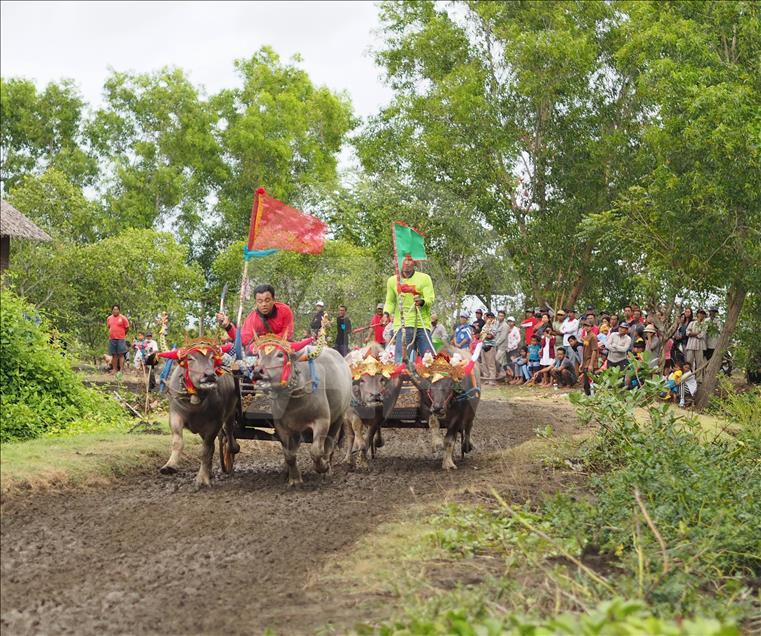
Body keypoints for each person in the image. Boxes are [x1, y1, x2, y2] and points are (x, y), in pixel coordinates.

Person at [384, 256, 435, 363]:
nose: (407, 263)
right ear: (398, 262)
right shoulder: (392, 281)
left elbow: (430, 298)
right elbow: (390, 301)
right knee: (401, 364)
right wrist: (386, 314)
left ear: (414, 262)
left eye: (410, 260)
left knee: (429, 362)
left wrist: (421, 302)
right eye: (404, 259)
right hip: (402, 327)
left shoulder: (425, 278)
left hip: (422, 325)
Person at [217, 284, 294, 353]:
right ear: (256, 303)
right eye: (260, 301)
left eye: (267, 300)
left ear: (273, 300)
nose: (264, 304)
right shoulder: (252, 318)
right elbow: (243, 340)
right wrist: (228, 326)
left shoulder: (285, 310)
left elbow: (288, 334)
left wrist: (267, 341)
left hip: (282, 348)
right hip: (262, 351)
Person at [107, 304, 130, 374]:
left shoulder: (123, 318)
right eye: (114, 309)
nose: (115, 310)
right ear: (112, 310)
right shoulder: (109, 318)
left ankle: (121, 370)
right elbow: (109, 327)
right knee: (114, 355)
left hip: (120, 339)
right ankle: (114, 369)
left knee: (121, 354)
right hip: (112, 339)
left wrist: (123, 334)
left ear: (119, 310)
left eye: (117, 309)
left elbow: (127, 327)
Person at [685, 308, 708, 375]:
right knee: (689, 362)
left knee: (699, 363)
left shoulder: (705, 325)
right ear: (697, 314)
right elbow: (687, 333)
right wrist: (696, 333)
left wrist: (692, 333)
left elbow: (701, 335)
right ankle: (688, 376)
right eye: (700, 313)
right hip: (690, 345)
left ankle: (699, 379)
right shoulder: (692, 323)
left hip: (700, 345)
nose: (701, 315)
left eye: (703, 313)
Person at [480, 312, 498, 384]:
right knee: (484, 364)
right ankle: (486, 379)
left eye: (491, 317)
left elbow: (491, 336)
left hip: (490, 346)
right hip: (483, 346)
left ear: (493, 318)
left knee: (491, 364)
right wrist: (485, 334)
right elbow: (481, 336)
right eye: (488, 317)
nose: (489, 319)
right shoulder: (484, 326)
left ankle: (492, 380)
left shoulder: (494, 326)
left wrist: (485, 334)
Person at [493, 310, 510, 381]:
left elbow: (502, 337)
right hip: (497, 346)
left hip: (502, 347)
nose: (500, 317)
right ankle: (503, 377)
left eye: (502, 316)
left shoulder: (505, 325)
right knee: (501, 362)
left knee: (497, 360)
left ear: (504, 317)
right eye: (499, 315)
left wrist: (495, 344)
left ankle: (504, 376)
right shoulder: (497, 324)